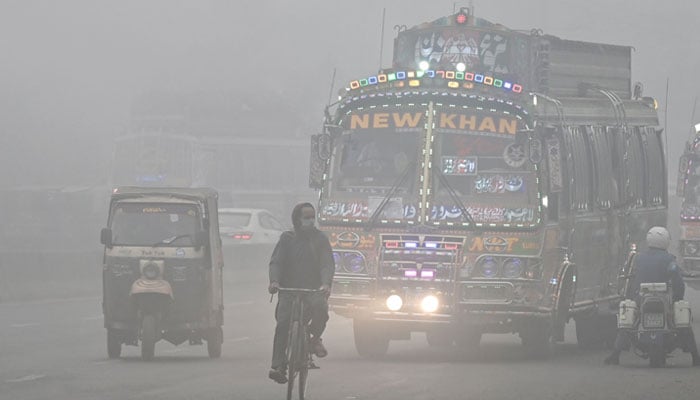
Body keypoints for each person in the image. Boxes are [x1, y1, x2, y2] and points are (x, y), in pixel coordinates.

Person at [604, 226, 700, 366]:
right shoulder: (669, 259)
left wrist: (630, 295)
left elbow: (631, 280)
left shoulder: (639, 258)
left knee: (627, 319)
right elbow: (678, 282)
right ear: (666, 241)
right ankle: (695, 357)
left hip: (641, 297)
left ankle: (615, 355)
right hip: (664, 298)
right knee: (682, 313)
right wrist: (677, 298)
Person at [267, 202, 335, 384]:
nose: (310, 220)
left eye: (312, 217)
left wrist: (325, 284)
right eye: (306, 217)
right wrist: (274, 281)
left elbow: (326, 264)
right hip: (288, 290)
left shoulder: (320, 239)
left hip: (313, 290)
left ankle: (314, 338)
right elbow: (276, 263)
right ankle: (278, 365)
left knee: (321, 308)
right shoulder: (287, 238)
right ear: (297, 218)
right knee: (282, 324)